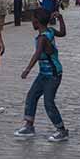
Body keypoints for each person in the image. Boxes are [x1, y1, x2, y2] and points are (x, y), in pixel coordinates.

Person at [15, 8, 68, 142]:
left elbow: (37, 54)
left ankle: (61, 130)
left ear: (37, 22)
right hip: (44, 74)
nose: (32, 21)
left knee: (48, 102)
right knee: (32, 96)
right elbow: (62, 33)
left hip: (53, 74)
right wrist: (61, 19)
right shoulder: (50, 31)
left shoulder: (43, 37)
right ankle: (29, 125)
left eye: (33, 19)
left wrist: (27, 70)